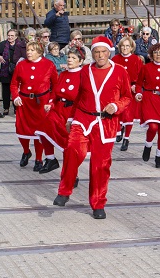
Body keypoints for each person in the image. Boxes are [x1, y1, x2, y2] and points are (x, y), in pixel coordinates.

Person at [53, 36, 132, 219]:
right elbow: (79, 95)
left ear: (109, 52)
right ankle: (64, 191)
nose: (100, 55)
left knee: (100, 165)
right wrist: (71, 118)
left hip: (106, 124)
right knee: (72, 149)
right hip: (83, 118)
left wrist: (116, 106)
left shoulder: (120, 72)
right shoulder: (85, 71)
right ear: (92, 53)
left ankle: (98, 203)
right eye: (96, 52)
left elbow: (127, 97)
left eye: (103, 51)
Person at [10, 41, 58, 172]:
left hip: (41, 103)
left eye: (32, 50)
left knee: (39, 132)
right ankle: (26, 152)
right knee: (21, 129)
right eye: (28, 50)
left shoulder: (49, 65)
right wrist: (16, 97)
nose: (29, 52)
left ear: (39, 52)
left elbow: (56, 85)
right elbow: (14, 84)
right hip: (24, 102)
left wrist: (51, 102)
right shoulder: (21, 65)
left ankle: (39, 159)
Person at [36, 48, 85, 171]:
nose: (69, 60)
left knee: (68, 144)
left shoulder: (83, 75)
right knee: (43, 129)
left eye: (74, 58)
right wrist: (51, 103)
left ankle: (72, 174)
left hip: (72, 112)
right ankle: (51, 159)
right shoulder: (63, 74)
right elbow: (55, 93)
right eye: (69, 57)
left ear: (80, 61)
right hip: (58, 110)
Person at [111, 36, 143, 151]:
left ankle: (126, 138)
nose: (125, 48)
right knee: (118, 112)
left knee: (129, 115)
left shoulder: (137, 60)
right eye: (123, 46)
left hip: (131, 91)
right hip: (118, 90)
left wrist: (136, 86)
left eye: (127, 46)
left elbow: (141, 77)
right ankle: (119, 130)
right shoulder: (115, 59)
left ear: (131, 48)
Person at [0, 28, 27, 116]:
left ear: (16, 36)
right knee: (5, 90)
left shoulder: (20, 45)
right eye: (9, 35)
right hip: (5, 70)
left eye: (12, 36)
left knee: (16, 89)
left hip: (17, 70)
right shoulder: (3, 44)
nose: (10, 37)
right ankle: (6, 108)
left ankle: (16, 108)